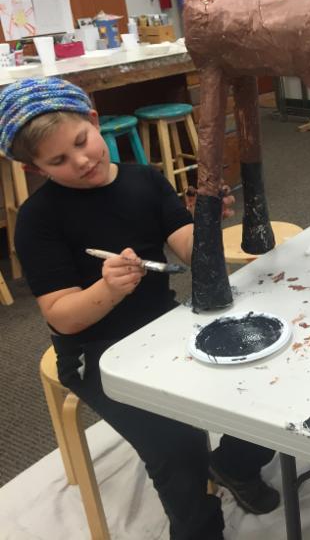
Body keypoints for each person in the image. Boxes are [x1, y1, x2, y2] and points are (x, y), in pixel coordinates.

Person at [0, 78, 278, 540]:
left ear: (93, 122)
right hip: (96, 351)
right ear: (34, 168)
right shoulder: (38, 219)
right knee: (177, 445)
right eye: (58, 161)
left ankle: (234, 463)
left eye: (81, 142)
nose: (81, 161)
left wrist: (205, 223)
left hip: (164, 324)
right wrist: (108, 290)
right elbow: (61, 316)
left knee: (262, 378)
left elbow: (189, 250)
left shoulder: (143, 179)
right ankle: (199, 531)